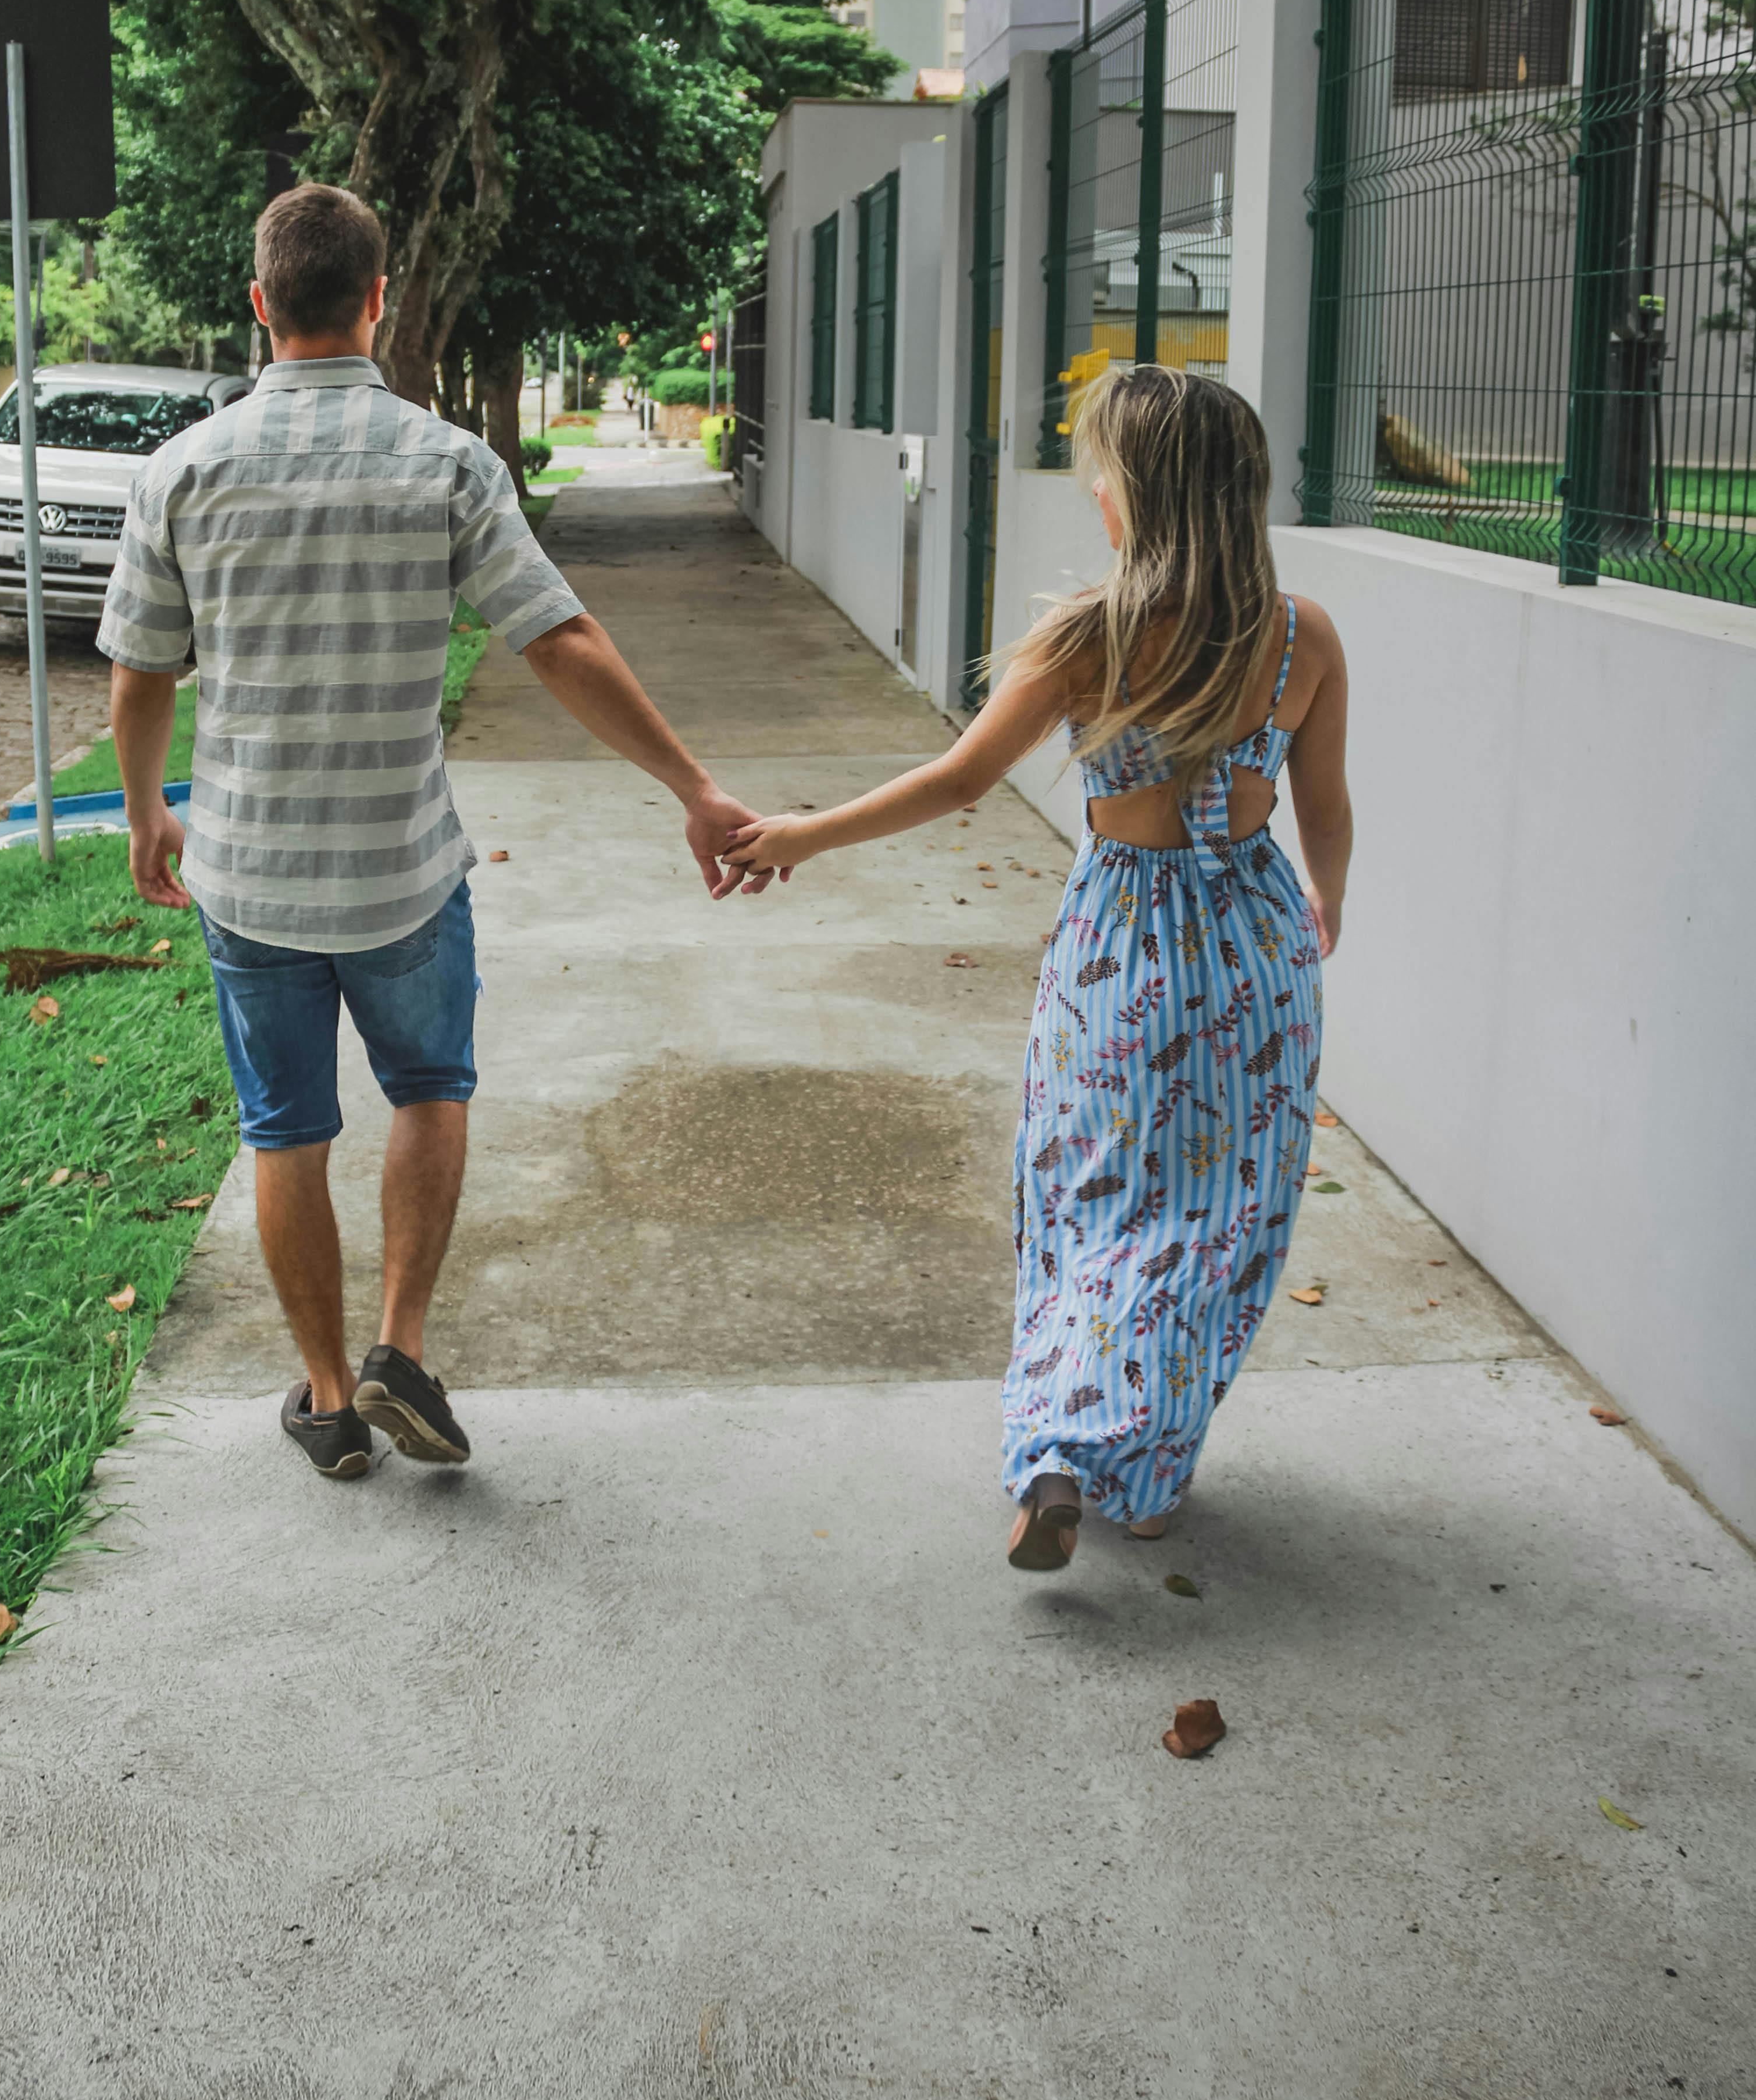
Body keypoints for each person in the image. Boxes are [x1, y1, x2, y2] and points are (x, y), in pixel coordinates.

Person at [99, 185, 775, 1484]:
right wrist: (692, 786)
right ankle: (399, 1350)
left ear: (259, 304)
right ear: (378, 298)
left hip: (250, 878)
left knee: (286, 1129)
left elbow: (138, 674)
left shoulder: (183, 469)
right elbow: (557, 640)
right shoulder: (448, 461)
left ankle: (326, 1401)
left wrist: (146, 811)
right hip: (405, 874)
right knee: (428, 1090)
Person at [723, 365, 1351, 1570]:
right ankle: (1148, 1478)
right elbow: (1323, 806)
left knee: (1088, 1191)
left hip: (1122, 949)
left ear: (1137, 498)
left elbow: (959, 779)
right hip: (1256, 948)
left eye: (1100, 476)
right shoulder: (1299, 635)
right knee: (1217, 1218)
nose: (1093, 494)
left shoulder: (1088, 633)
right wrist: (1328, 896)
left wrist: (803, 834)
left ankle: (1062, 1442)